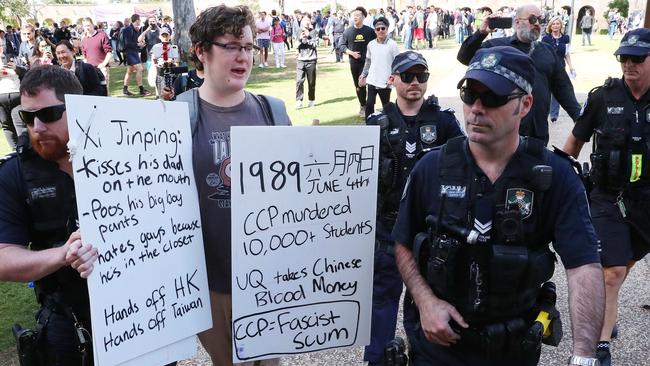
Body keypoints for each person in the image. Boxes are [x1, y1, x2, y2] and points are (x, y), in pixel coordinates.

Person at [393, 46, 604, 366]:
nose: (476, 108)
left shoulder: (555, 177)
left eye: (492, 97)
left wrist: (584, 357)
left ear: (525, 104)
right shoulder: (431, 169)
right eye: (469, 94)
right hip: (438, 347)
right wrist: (425, 302)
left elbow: (583, 267)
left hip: (513, 349)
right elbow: (403, 242)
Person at [177, 5, 290, 365]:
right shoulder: (176, 116)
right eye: (231, 46)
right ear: (201, 51)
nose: (243, 56)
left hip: (267, 280)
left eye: (249, 46)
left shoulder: (273, 112)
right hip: (209, 283)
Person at [364, 50, 464, 366]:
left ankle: (427, 357)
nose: (415, 83)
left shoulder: (444, 121)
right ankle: (378, 359)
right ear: (392, 80)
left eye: (422, 76)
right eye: (408, 76)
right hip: (387, 230)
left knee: (430, 298)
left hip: (431, 230)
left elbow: (466, 164)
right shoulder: (375, 124)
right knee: (382, 300)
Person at [562, 28, 650, 366]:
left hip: (647, 202)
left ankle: (605, 310)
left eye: (637, 58)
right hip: (607, 196)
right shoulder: (603, 97)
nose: (628, 64)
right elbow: (573, 145)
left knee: (624, 263)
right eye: (624, 58)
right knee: (611, 272)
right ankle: (600, 349)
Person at [0, 65, 96, 365]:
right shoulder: (16, 174)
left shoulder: (125, 152)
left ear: (77, 109)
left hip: (143, 311)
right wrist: (64, 254)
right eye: (27, 117)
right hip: (67, 318)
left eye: (50, 114)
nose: (37, 127)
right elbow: (3, 258)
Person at [457, 4, 581, 146]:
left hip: (537, 132)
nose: (537, 24)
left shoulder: (547, 51)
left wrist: (579, 118)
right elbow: (464, 57)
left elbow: (563, 88)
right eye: (532, 19)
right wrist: (481, 33)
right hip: (503, 133)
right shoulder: (495, 47)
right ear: (517, 22)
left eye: (540, 19)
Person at [359, 17, 399, 118]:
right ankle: (369, 126)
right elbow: (368, 61)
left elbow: (398, 63)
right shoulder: (371, 44)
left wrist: (393, 78)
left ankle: (388, 127)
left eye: (383, 28)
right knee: (369, 104)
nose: (380, 31)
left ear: (387, 29)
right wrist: (363, 75)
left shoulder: (392, 45)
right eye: (378, 29)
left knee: (386, 106)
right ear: (375, 31)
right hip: (372, 79)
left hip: (385, 82)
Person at [341, 6, 376, 118]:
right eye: (354, 15)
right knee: (359, 85)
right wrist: (351, 53)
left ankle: (370, 107)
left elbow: (377, 43)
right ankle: (363, 105)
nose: (355, 17)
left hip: (368, 62)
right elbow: (341, 46)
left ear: (363, 17)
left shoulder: (370, 31)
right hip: (354, 63)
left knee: (369, 84)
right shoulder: (348, 31)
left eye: (358, 15)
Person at [541, 16, 575, 123]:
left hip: (560, 68)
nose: (555, 26)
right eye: (553, 24)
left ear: (561, 25)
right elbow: (542, 54)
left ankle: (554, 116)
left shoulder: (566, 38)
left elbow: (566, 54)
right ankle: (543, 113)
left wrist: (571, 66)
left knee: (557, 92)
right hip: (547, 68)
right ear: (550, 26)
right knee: (546, 91)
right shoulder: (545, 39)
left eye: (557, 24)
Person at [120, 14, 151, 97]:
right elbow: (127, 44)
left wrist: (141, 44)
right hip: (130, 53)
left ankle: (125, 90)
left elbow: (135, 41)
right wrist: (138, 45)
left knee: (129, 72)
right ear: (137, 20)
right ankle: (141, 90)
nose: (140, 21)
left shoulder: (134, 29)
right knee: (140, 69)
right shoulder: (128, 29)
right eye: (139, 20)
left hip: (133, 52)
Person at [149, 26, 180, 96]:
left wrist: (172, 62)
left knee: (172, 95)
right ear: (160, 37)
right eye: (163, 36)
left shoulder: (174, 47)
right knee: (160, 96)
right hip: (160, 74)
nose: (165, 37)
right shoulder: (156, 47)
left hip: (172, 74)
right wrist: (160, 63)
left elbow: (177, 63)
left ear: (170, 36)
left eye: (167, 35)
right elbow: (154, 60)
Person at [80, 17, 112, 83]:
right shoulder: (84, 40)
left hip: (102, 69)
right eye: (85, 26)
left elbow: (109, 52)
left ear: (92, 25)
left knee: (104, 91)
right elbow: (85, 57)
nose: (87, 28)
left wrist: (103, 64)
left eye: (88, 25)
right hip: (90, 70)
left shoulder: (102, 36)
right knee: (93, 92)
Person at [295, 20, 318, 109]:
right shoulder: (298, 31)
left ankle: (311, 100)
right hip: (301, 60)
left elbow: (315, 44)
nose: (306, 24)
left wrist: (308, 37)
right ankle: (299, 101)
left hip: (311, 59)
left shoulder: (314, 32)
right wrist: (301, 39)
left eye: (308, 22)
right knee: (299, 80)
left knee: (311, 82)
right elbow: (296, 45)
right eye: (305, 22)